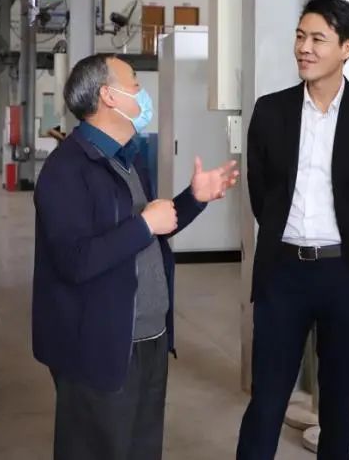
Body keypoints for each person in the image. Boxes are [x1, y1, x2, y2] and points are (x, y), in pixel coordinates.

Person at [32, 53, 238, 460]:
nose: (143, 94)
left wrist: (193, 199)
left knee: (141, 449)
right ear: (108, 96)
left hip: (149, 337)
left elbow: (150, 230)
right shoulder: (66, 170)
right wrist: (144, 225)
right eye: (136, 85)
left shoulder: (126, 158)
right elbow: (75, 260)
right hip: (99, 345)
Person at [237, 0, 349, 460]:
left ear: (347, 47)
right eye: (300, 37)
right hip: (282, 273)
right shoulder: (270, 110)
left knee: (338, 400)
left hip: (342, 273)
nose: (304, 48)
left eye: (318, 39)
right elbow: (261, 192)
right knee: (267, 398)